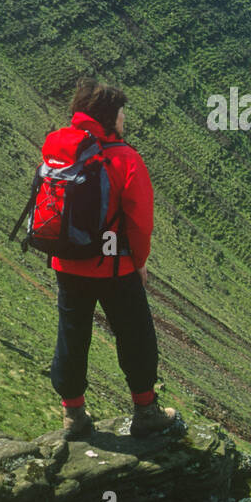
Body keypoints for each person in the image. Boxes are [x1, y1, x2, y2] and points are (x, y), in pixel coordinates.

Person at [46, 78, 181, 441]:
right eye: (121, 113)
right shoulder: (125, 158)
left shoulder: (61, 148)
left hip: (68, 262)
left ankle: (73, 415)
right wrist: (140, 262)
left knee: (72, 336)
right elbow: (139, 221)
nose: (125, 120)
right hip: (114, 266)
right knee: (135, 334)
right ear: (108, 117)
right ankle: (146, 410)